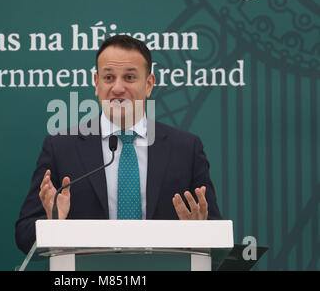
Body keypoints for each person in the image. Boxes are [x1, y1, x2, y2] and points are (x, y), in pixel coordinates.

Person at [15, 35, 222, 254]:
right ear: (96, 83)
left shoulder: (186, 148)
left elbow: (215, 231)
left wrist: (199, 232)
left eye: (130, 77)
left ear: (149, 84)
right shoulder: (60, 148)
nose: (117, 88)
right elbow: (24, 233)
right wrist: (53, 225)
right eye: (109, 77)